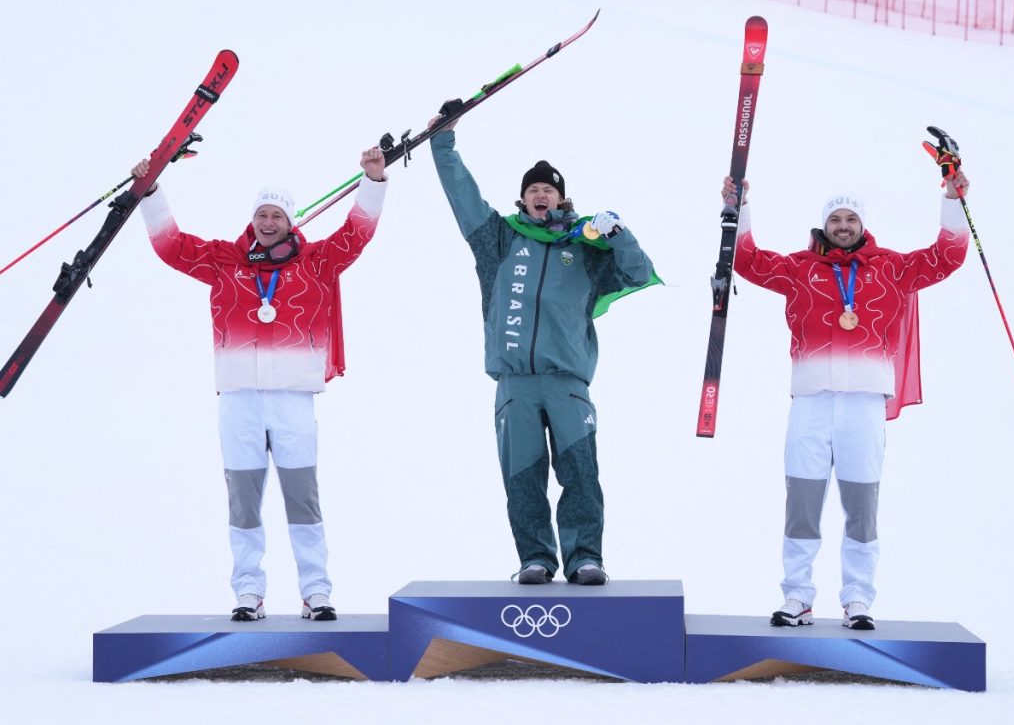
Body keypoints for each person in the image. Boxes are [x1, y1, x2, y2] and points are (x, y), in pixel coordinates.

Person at [131, 147, 388, 621]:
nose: (268, 221)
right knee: (243, 503)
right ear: (252, 221)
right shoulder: (224, 261)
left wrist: (372, 182)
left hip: (293, 400)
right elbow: (172, 246)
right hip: (239, 400)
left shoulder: (315, 262)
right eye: (261, 214)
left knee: (302, 500)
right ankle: (248, 592)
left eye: (277, 215)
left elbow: (356, 236)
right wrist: (149, 192)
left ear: (291, 223)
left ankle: (317, 592)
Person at [727, 161, 970, 630]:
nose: (843, 226)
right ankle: (797, 596)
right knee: (802, 503)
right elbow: (748, 260)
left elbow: (947, 256)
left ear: (863, 226)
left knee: (861, 506)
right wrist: (741, 205)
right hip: (811, 401)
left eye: (851, 220)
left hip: (863, 403)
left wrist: (952, 198)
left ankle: (858, 598)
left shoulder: (893, 268)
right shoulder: (800, 268)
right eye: (836, 219)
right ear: (824, 225)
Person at [429, 115, 657, 586]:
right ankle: (536, 558)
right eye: (533, 190)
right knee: (522, 479)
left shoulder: (587, 248)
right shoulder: (499, 239)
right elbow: (463, 197)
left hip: (568, 383)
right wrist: (442, 142)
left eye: (548, 190)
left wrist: (619, 234)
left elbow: (638, 272)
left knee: (580, 473)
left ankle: (585, 558)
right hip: (515, 385)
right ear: (523, 199)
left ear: (561, 197)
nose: (540, 195)